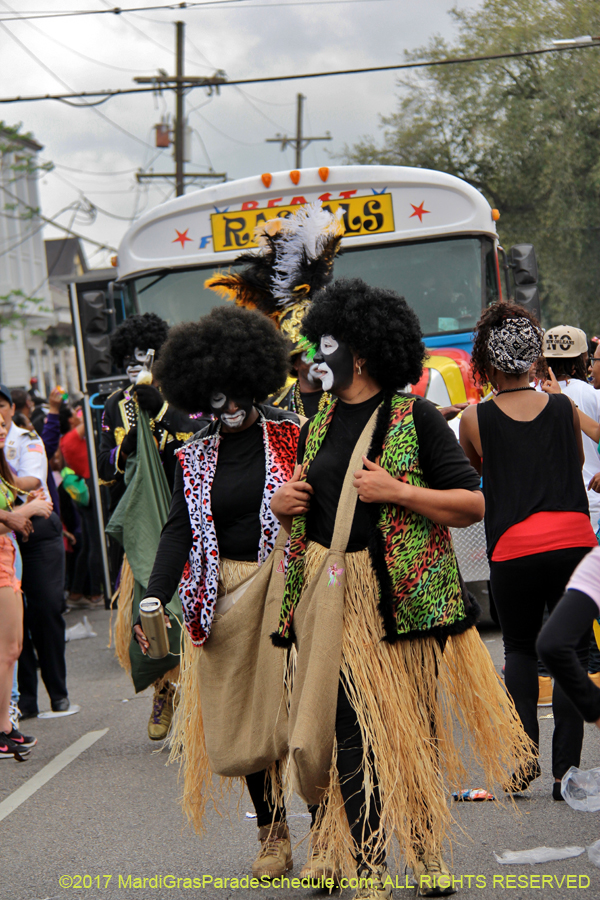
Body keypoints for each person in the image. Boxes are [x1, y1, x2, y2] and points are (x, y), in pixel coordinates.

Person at [271, 279, 531, 899]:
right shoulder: (315, 426)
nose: (315, 358)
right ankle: (366, 865)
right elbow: (309, 511)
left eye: (326, 345)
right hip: (333, 601)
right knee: (350, 733)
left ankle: (425, 853)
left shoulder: (415, 418)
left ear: (361, 355)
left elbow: (473, 504)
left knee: (411, 731)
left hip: (403, 606)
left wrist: (399, 492)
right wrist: (284, 507)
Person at [138, 306, 300, 879]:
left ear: (256, 381)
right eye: (216, 398)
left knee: (303, 714)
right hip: (223, 597)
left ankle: (333, 828)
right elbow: (177, 529)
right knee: (244, 719)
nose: (229, 407)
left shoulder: (294, 434)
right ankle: (273, 835)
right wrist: (153, 597)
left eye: (237, 393)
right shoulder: (193, 455)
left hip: (290, 587)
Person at [460, 303, 597, 803]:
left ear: (487, 363)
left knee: (518, 649)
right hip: (574, 541)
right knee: (572, 651)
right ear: (533, 359)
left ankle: (521, 763)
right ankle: (566, 774)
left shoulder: (474, 417)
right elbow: (576, 461)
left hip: (513, 547)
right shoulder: (563, 408)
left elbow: (479, 469)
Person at [100, 312, 197, 740]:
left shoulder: (184, 392)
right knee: (151, 614)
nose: (137, 365)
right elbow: (104, 472)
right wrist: (123, 450)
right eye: (130, 358)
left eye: (145, 357)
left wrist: (161, 411)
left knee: (195, 610)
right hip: (144, 527)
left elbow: (198, 437)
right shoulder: (113, 406)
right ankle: (163, 689)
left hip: (189, 519)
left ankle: (200, 694)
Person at [0, 385, 70, 719]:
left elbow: (32, 480)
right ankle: (23, 700)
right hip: (8, 531)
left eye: (2, 406)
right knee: (14, 621)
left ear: (12, 409)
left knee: (47, 610)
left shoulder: (25, 438)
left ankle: (58, 693)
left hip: (37, 530)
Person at [0, 415, 52, 757]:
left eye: (2, 424)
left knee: (12, 650)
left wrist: (22, 510)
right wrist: (29, 509)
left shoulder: (4, 467)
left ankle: (5, 726)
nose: (1, 429)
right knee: (7, 651)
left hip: (7, 557)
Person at [541, 325, 600, 532]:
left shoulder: (532, 396)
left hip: (551, 505)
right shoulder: (594, 394)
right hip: (594, 500)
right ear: (582, 358)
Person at [537, 547, 600, 727]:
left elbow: (552, 645)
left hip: (512, 552)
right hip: (575, 543)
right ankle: (596, 671)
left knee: (518, 648)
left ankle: (543, 679)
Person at [60, 405, 103, 608]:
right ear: (70, 421)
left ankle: (76, 592)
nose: (77, 417)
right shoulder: (71, 439)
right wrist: (84, 408)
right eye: (74, 415)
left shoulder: (65, 441)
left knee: (87, 545)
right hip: (90, 490)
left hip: (83, 491)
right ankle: (95, 593)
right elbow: (87, 420)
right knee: (96, 544)